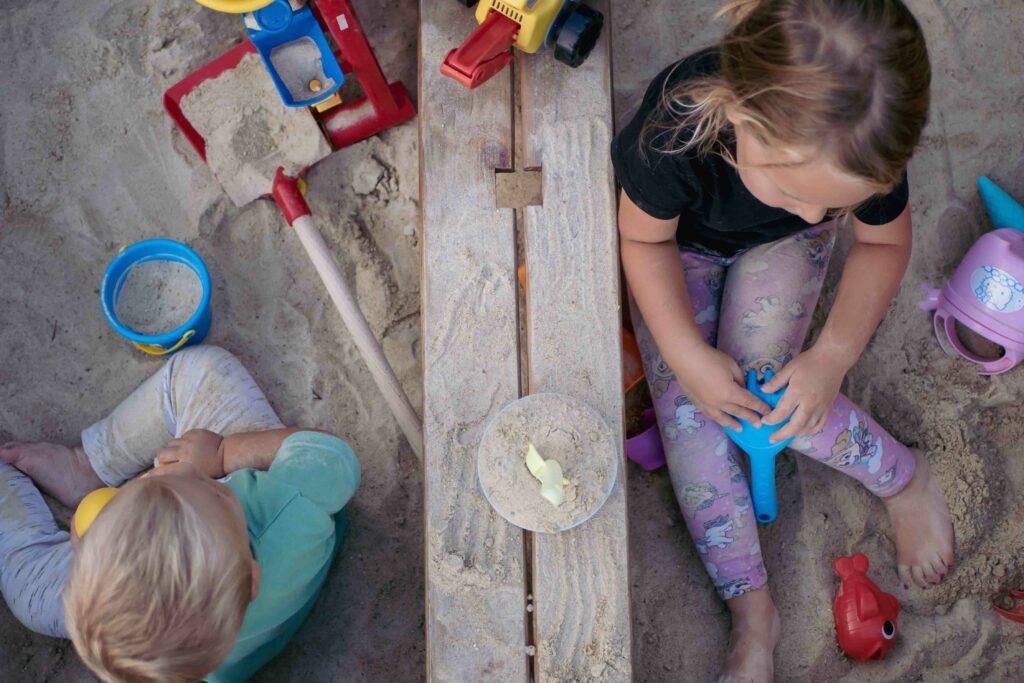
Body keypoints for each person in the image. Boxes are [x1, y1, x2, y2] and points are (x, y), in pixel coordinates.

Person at [612, 1, 954, 680]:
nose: (809, 211)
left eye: (834, 205)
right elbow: (642, 239)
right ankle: (752, 606)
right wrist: (685, 356)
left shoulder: (862, 132)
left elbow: (883, 243)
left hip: (783, 254)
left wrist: (831, 357)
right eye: (790, 189)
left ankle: (904, 480)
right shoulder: (675, 125)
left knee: (778, 392)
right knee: (691, 412)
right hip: (680, 247)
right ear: (738, 114)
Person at [0, 345, 359, 682]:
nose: (181, 470)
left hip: (213, 657)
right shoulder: (290, 505)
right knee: (203, 371)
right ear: (252, 580)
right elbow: (331, 454)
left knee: (30, 593)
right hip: (263, 611)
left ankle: (85, 466)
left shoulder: (155, 663)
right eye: (213, 489)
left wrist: (88, 552)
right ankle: (86, 467)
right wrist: (221, 456)